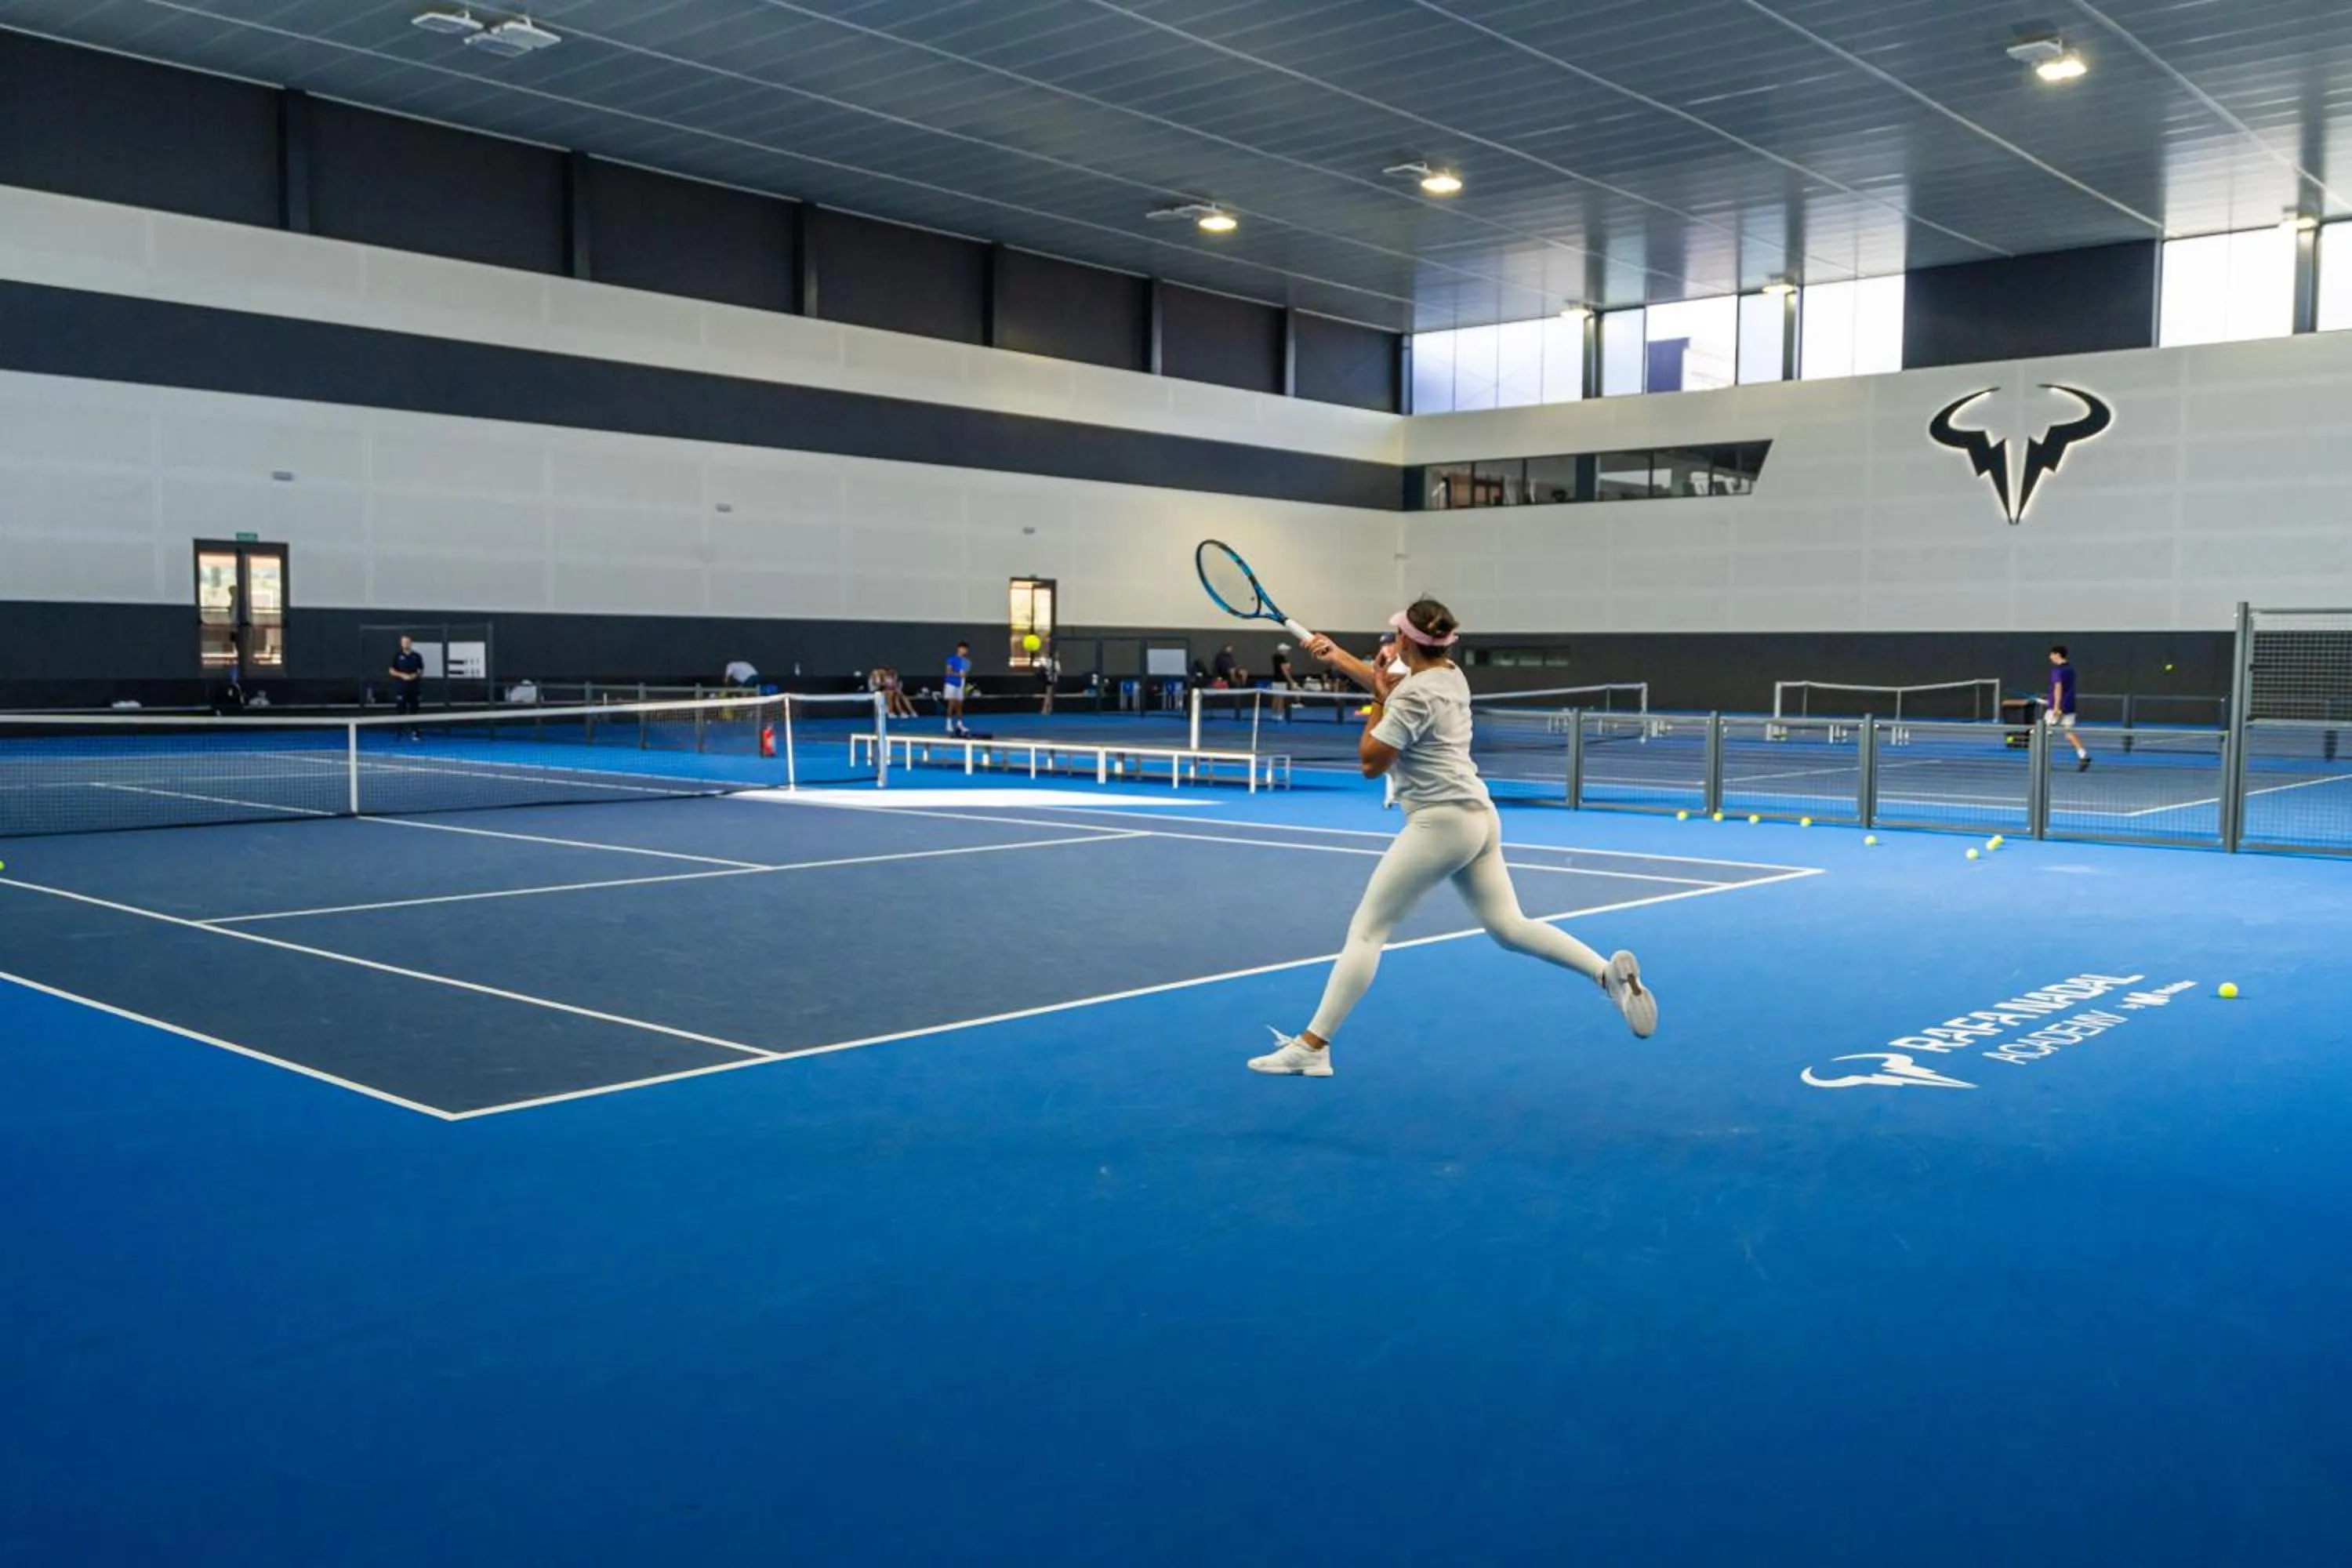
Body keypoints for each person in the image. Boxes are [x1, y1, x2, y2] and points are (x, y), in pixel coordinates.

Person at [1247, 597, 1657, 1078]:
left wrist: (1377, 699)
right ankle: (1604, 973)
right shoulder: (1449, 675)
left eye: (1395, 634)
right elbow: (1394, 689)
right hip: (1479, 820)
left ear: (1404, 641)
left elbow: (1370, 762)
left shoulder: (1410, 697)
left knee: (1366, 932)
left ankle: (1313, 1046)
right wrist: (1336, 658)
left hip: (1438, 825)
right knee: (1509, 927)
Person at [2046, 644, 2089, 771]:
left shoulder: (2057, 671)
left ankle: (2043, 763)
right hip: (2070, 707)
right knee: (2069, 733)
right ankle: (2083, 755)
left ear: (2057, 654)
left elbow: (2058, 688)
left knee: (2044, 734)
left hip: (2057, 708)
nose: (2050, 657)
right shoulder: (2071, 670)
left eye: (2051, 654)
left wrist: (2056, 707)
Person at [389, 633, 425, 740]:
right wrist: (402, 675)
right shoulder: (397, 656)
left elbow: (421, 671)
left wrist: (414, 675)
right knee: (400, 710)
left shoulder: (417, 656)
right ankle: (399, 732)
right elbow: (391, 670)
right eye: (404, 642)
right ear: (401, 644)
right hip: (401, 689)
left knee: (414, 711)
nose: (406, 644)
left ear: (411, 643)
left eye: (408, 642)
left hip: (414, 689)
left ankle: (415, 732)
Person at [945, 641, 974, 736]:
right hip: (951, 684)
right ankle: (948, 724)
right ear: (958, 648)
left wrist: (960, 675)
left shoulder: (967, 662)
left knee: (959, 706)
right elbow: (948, 672)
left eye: (965, 649)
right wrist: (958, 675)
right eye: (962, 648)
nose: (964, 650)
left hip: (960, 685)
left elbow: (964, 674)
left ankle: (960, 724)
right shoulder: (951, 659)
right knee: (951, 704)